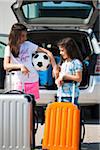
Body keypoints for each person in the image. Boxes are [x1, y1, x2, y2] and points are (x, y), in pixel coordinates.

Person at [4, 23, 56, 100]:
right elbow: (6, 66)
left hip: (33, 80)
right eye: (22, 36)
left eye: (26, 35)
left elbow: (48, 53)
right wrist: (21, 66)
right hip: (19, 82)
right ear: (15, 36)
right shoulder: (8, 48)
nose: (25, 38)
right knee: (20, 105)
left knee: (32, 106)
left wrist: (54, 67)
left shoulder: (28, 45)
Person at [55, 37, 83, 105]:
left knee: (70, 114)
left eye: (62, 50)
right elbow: (59, 78)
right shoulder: (63, 63)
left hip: (71, 95)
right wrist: (58, 80)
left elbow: (78, 78)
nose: (60, 53)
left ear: (69, 50)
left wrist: (65, 76)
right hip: (61, 94)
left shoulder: (76, 62)